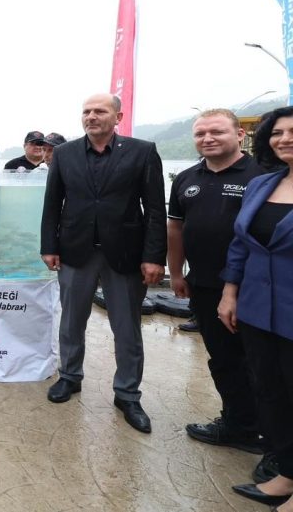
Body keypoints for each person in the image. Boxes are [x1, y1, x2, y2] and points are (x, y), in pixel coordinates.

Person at [40, 93, 166, 433]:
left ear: (118, 117)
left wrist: (154, 257)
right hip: (75, 251)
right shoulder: (65, 154)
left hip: (125, 254)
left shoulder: (142, 151)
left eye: (100, 111)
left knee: (126, 327)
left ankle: (127, 394)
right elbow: (52, 204)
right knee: (71, 321)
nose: (91, 116)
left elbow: (155, 210)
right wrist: (49, 246)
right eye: (86, 111)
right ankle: (70, 376)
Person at [167, 109, 267, 455]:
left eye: (217, 132)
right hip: (205, 284)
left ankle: (271, 435)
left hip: (256, 287)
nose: (207, 138)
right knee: (223, 359)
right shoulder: (186, 178)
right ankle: (240, 425)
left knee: (261, 362)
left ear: (239, 135)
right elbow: (175, 228)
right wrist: (176, 273)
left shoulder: (263, 176)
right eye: (200, 133)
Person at [222, 106, 293, 508]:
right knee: (270, 391)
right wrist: (229, 292)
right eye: (277, 132)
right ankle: (287, 473)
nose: (285, 138)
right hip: (256, 308)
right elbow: (240, 244)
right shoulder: (262, 184)